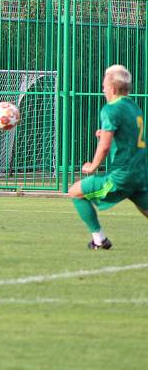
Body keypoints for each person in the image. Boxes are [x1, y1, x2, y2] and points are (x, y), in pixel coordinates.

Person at [68, 64, 148, 250]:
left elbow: (104, 148)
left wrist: (93, 166)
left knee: (76, 192)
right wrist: (105, 133)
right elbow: (128, 136)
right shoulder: (133, 106)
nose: (103, 88)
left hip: (122, 175)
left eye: (104, 85)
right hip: (140, 172)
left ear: (112, 88)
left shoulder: (110, 109)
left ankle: (99, 240)